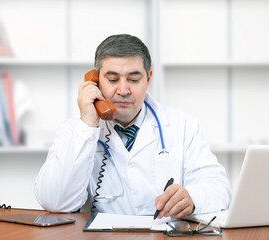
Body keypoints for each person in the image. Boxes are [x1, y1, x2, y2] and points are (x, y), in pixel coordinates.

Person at [35, 34, 231, 219]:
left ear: (148, 79)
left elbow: (219, 188)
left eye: (134, 79)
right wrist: (87, 126)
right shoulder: (74, 130)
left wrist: (192, 198)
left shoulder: (183, 126)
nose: (123, 90)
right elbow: (54, 202)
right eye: (112, 80)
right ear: (95, 81)